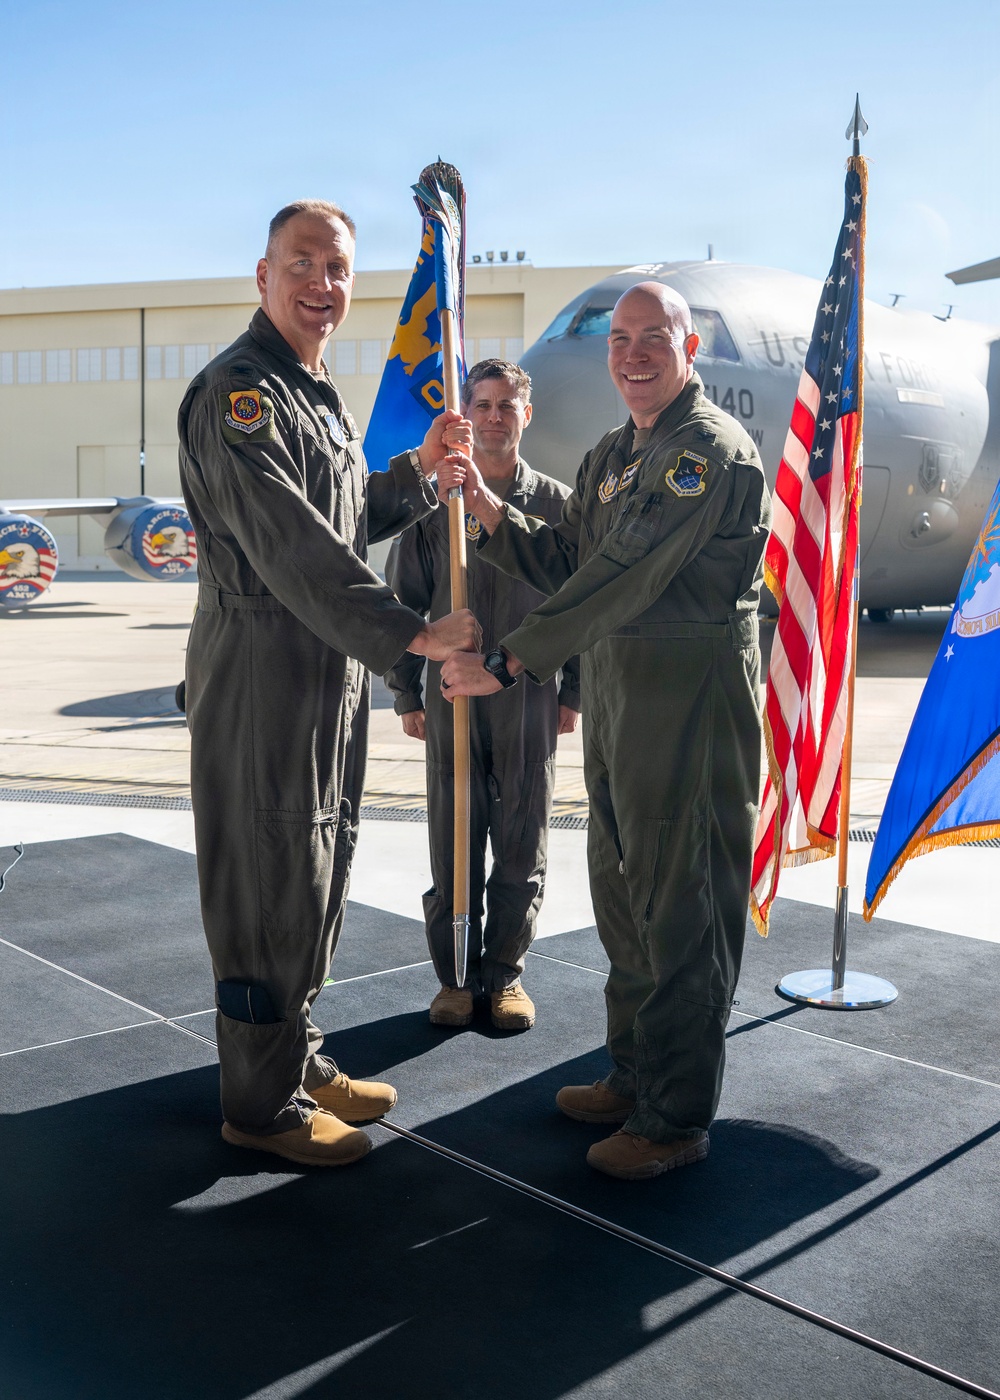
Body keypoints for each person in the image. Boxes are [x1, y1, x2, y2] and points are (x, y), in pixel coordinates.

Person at [441, 283, 771, 1180]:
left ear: (689, 348)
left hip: (690, 701)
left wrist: (511, 660)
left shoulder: (704, 451)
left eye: (652, 337)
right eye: (620, 339)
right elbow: (570, 562)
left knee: (682, 907)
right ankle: (634, 1075)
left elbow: (624, 572)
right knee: (625, 897)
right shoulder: (615, 454)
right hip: (624, 697)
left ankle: (675, 1118)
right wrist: (488, 510)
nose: (632, 354)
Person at [177, 199, 479, 1169]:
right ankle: (259, 1105)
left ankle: (294, 1054)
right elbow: (292, 547)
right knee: (266, 877)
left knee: (314, 865)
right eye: (302, 263)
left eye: (338, 268)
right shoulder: (241, 394)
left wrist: (419, 474)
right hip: (263, 669)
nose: (322, 284)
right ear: (263, 276)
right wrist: (410, 633)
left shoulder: (312, 393)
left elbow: (340, 518)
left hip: (322, 668)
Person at [384, 359, 580, 1031]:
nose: (494, 417)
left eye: (506, 406)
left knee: (522, 841)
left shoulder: (557, 506)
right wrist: (405, 693)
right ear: (466, 415)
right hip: (451, 699)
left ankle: (504, 975)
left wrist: (574, 692)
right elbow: (402, 603)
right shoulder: (436, 504)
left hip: (529, 695)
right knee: (454, 837)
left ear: (527, 415)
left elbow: (579, 603)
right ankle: (456, 977)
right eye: (483, 405)